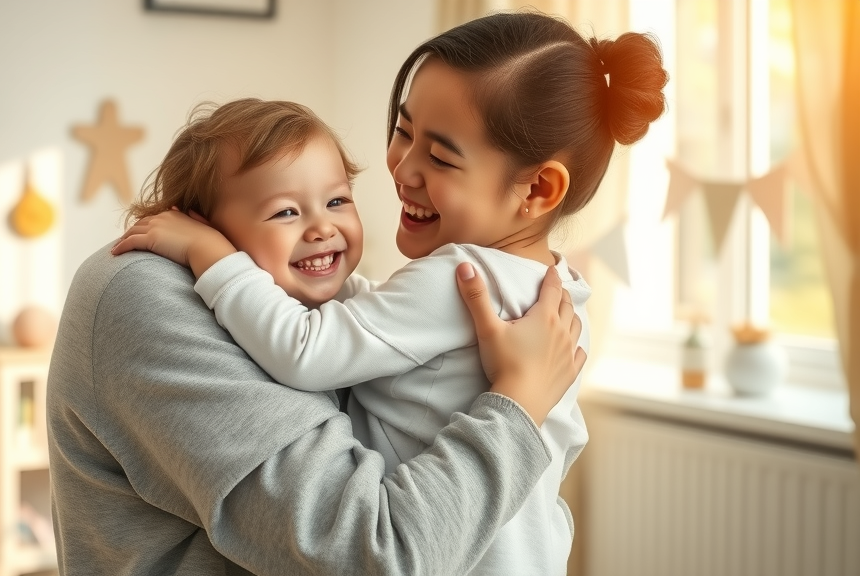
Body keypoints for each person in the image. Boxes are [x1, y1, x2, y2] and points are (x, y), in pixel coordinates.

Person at [113, 10, 668, 576]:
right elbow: (385, 324)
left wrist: (217, 257)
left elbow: (307, 352)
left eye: (442, 157)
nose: (403, 167)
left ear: (538, 188)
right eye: (403, 132)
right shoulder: (561, 300)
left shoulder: (459, 279)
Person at [49, 102, 586, 576]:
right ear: (206, 224)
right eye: (286, 212)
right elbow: (373, 553)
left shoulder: (447, 284)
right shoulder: (146, 290)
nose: (321, 228)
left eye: (337, 201)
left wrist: (521, 400)